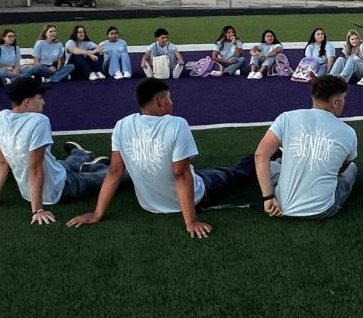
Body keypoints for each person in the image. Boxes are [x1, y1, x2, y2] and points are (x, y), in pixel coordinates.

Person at [66, 79, 255, 237]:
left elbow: (115, 172)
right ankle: (261, 159)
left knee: (203, 172)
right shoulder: (177, 125)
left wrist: (97, 214)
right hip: (195, 196)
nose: (172, 102)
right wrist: (191, 221)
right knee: (232, 174)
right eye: (170, 98)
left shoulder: (121, 126)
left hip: (148, 204)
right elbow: (180, 174)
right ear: (160, 100)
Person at [0, 76, 110, 222]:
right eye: (40, 97)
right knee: (110, 176)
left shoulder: (0, 117)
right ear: (27, 102)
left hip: (43, 178)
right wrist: (37, 209)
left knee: (61, 165)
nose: (44, 102)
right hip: (59, 188)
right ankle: (93, 165)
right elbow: (35, 168)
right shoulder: (38, 121)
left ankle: (82, 154)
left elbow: (3, 163)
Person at [254, 75, 358, 219]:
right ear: (335, 102)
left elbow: (260, 155)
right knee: (352, 169)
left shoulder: (286, 118)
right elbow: (345, 163)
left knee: (272, 165)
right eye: (343, 98)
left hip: (282, 205)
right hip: (323, 209)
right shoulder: (348, 132)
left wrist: (268, 197)